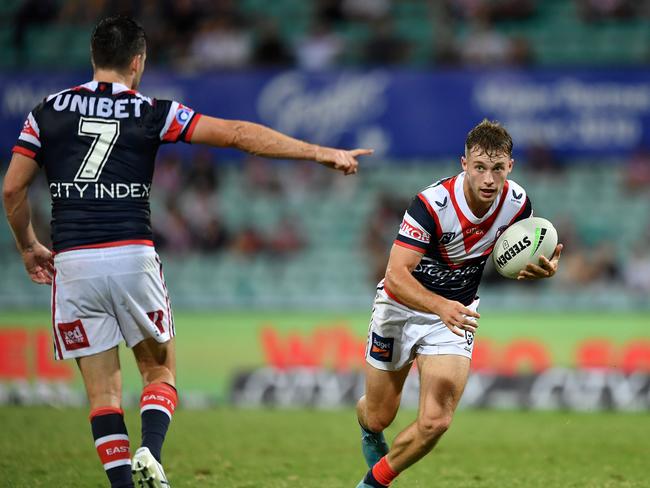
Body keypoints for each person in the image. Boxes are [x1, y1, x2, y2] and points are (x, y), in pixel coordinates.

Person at [2, 15, 371, 488]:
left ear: (94, 57)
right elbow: (239, 135)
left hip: (73, 261)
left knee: (102, 393)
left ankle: (122, 484)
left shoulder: (45, 112)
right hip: (132, 254)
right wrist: (319, 152)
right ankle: (150, 452)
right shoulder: (152, 111)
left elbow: (13, 190)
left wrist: (29, 246)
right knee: (159, 371)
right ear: (138, 62)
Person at [355, 120, 562, 488]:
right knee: (378, 416)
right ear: (463, 163)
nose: (488, 178)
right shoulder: (430, 205)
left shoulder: (518, 205)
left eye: (497, 168)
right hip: (400, 307)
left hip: (455, 315)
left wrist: (538, 271)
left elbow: (512, 258)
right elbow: (397, 274)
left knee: (436, 421)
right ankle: (369, 428)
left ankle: (373, 482)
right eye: (480, 167)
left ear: (509, 168)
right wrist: (439, 305)